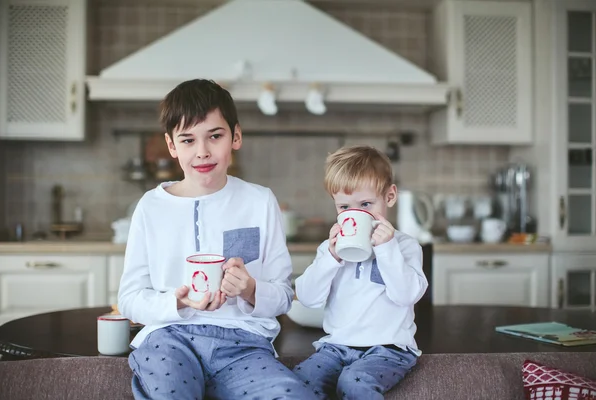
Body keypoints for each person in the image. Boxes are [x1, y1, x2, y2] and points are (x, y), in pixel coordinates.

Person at [118, 79, 315, 399]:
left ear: (235, 136)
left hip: (243, 343)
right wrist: (177, 302)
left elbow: (283, 296)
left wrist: (251, 289)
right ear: (171, 146)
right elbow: (130, 299)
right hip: (169, 338)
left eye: (215, 136)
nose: (202, 152)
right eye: (187, 140)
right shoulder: (151, 207)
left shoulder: (260, 201)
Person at [293, 145, 428, 399]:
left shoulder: (405, 246)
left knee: (354, 382)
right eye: (344, 207)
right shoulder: (329, 249)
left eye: (366, 204)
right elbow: (307, 297)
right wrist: (331, 258)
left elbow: (406, 295)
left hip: (389, 349)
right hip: (336, 347)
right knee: (301, 379)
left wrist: (387, 249)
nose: (355, 214)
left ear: (389, 196)